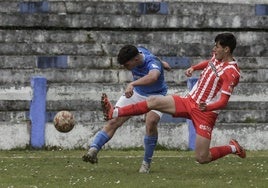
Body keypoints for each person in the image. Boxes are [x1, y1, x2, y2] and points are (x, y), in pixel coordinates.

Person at [102, 33, 246, 164]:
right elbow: (209, 63)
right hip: (189, 101)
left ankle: (233, 148)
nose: (214, 49)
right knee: (153, 102)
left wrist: (207, 107)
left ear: (226, 49)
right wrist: (194, 68)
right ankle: (114, 113)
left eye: (217, 46)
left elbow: (223, 102)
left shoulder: (232, 73)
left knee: (202, 157)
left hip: (205, 113)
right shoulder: (217, 57)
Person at [83, 45, 171, 173]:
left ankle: (146, 163)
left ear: (135, 59)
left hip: (157, 95)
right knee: (114, 120)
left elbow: (153, 77)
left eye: (126, 64)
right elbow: (152, 55)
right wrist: (162, 63)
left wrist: (132, 83)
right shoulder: (140, 51)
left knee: (151, 122)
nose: (125, 67)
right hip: (137, 93)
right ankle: (93, 150)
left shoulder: (151, 63)